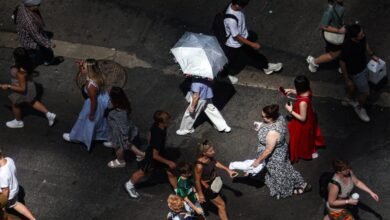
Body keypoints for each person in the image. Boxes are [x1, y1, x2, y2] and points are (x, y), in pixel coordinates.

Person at [251, 104, 311, 199]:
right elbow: (270, 126)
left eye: (263, 117)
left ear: (271, 117)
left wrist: (258, 161)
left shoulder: (272, 133)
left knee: (279, 172)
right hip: (281, 149)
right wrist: (262, 125)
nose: (261, 117)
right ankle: (301, 183)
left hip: (274, 157)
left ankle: (290, 188)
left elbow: (268, 150)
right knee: (285, 167)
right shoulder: (279, 117)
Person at [220, 0, 282, 84]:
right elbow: (236, 36)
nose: (244, 7)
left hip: (243, 38)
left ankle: (266, 66)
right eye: (243, 5)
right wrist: (252, 44)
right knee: (229, 61)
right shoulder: (231, 20)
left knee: (252, 54)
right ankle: (223, 76)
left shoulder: (235, 6)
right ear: (237, 5)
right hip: (234, 44)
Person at [124, 110, 177, 199]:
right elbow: (155, 156)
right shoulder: (158, 136)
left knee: (170, 171)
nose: (170, 122)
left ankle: (177, 190)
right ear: (161, 122)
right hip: (153, 157)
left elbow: (149, 134)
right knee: (142, 172)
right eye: (167, 121)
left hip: (156, 152)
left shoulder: (157, 125)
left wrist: (151, 145)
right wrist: (168, 162)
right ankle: (129, 185)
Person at [0, 47, 56, 128]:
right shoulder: (28, 62)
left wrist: (8, 86)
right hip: (29, 85)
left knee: (15, 104)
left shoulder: (20, 72)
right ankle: (49, 114)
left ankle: (18, 122)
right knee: (31, 101)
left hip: (19, 88)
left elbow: (22, 89)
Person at [62, 59, 110, 151]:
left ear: (89, 70)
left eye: (83, 68)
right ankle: (106, 136)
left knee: (86, 121)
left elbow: (93, 101)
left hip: (94, 104)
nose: (81, 69)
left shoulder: (90, 85)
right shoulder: (98, 76)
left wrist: (91, 113)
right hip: (102, 99)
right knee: (101, 121)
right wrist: (81, 65)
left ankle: (77, 137)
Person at [339, 24, 379, 122]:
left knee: (353, 87)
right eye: (360, 34)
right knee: (365, 92)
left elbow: (365, 44)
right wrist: (347, 79)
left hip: (363, 66)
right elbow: (342, 62)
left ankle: (347, 98)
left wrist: (372, 54)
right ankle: (359, 108)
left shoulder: (361, 37)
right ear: (354, 37)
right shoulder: (347, 46)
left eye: (362, 32)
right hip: (356, 72)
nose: (363, 35)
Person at [284, 75, 325, 163]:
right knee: (308, 137)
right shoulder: (308, 91)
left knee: (301, 139)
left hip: (303, 123)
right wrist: (290, 90)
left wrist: (290, 111)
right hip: (310, 117)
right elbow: (299, 93)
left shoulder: (303, 102)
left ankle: (307, 153)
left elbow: (302, 118)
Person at [194, 140, 238, 220]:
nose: (214, 152)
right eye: (211, 151)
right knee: (221, 205)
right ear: (204, 153)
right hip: (208, 187)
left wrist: (228, 170)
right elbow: (197, 180)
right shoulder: (199, 166)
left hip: (214, 181)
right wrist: (200, 194)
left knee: (221, 203)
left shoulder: (209, 157)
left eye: (213, 149)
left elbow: (216, 162)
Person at [104, 87, 145, 168]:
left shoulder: (120, 112)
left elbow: (124, 127)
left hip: (119, 133)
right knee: (128, 144)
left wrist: (125, 138)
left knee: (118, 147)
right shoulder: (123, 103)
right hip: (119, 130)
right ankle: (141, 154)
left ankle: (120, 161)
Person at [14, 0, 63, 68]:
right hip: (31, 42)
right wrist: (49, 43)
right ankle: (48, 61)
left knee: (39, 52)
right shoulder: (29, 21)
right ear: (31, 6)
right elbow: (37, 36)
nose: (39, 6)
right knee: (44, 51)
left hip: (25, 37)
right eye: (38, 5)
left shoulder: (22, 6)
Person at [307, 0, 346, 73]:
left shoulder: (339, 4)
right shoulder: (329, 10)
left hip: (339, 32)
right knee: (333, 55)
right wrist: (339, 31)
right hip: (334, 36)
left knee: (344, 48)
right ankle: (314, 63)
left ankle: (343, 65)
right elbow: (323, 26)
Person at [0, 149, 36, 220]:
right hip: (14, 189)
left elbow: (6, 190)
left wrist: (3, 204)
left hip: (8, 196)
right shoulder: (9, 160)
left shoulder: (2, 174)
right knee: (16, 204)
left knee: (3, 215)